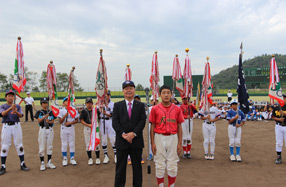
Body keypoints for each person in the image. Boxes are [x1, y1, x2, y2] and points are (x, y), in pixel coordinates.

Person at [112, 81, 146, 187]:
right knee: (120, 169)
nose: (129, 90)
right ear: (123, 91)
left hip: (136, 141)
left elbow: (142, 121)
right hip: (122, 141)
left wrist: (134, 134)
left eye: (131, 88)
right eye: (126, 88)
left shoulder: (140, 105)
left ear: (134, 90)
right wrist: (123, 134)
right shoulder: (117, 105)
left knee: (137, 168)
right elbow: (115, 122)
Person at [149, 85, 184, 187]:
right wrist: (152, 143)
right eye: (163, 93)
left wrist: (179, 143)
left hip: (173, 137)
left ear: (171, 94)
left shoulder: (177, 109)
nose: (166, 95)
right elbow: (152, 126)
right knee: (159, 163)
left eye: (168, 93)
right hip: (159, 136)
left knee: (172, 163)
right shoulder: (155, 109)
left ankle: (171, 185)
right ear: (160, 95)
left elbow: (179, 127)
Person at [0, 90, 29, 175]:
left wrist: (15, 111)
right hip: (6, 126)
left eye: (12, 96)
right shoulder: (3, 106)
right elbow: (3, 114)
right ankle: (3, 166)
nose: (11, 97)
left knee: (19, 145)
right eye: (9, 96)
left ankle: (22, 163)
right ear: (6, 97)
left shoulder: (18, 106)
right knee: (4, 146)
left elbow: (21, 115)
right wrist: (10, 108)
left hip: (16, 125)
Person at [34, 97, 57, 171]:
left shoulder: (51, 112)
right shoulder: (39, 112)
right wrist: (44, 117)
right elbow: (39, 121)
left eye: (46, 103)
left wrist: (49, 121)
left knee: (50, 145)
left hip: (50, 129)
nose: (45, 104)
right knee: (42, 146)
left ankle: (49, 162)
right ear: (41, 104)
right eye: (44, 103)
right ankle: (42, 162)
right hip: (42, 129)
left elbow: (53, 121)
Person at [58, 97, 79, 166]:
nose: (67, 102)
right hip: (64, 128)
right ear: (63, 103)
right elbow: (60, 121)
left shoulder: (73, 110)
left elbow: (76, 120)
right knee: (64, 144)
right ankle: (65, 158)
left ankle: (72, 158)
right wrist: (65, 116)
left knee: (72, 143)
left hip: (71, 128)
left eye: (68, 101)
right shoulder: (61, 111)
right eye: (66, 101)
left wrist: (70, 123)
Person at [80, 97, 101, 165]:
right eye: (87, 103)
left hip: (95, 128)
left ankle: (97, 158)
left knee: (97, 142)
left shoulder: (95, 110)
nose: (89, 104)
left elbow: (99, 118)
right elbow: (81, 120)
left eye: (90, 103)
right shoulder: (84, 111)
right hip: (87, 128)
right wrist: (88, 125)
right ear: (85, 104)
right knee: (88, 143)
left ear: (92, 103)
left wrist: (96, 125)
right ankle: (90, 158)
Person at [98, 90, 116, 164]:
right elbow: (97, 114)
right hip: (102, 122)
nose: (106, 97)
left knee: (113, 139)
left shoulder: (112, 104)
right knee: (104, 139)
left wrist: (105, 113)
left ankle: (116, 155)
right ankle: (106, 156)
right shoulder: (100, 104)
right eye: (105, 96)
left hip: (110, 121)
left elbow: (113, 114)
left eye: (108, 95)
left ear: (109, 96)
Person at [128, 94, 145, 165]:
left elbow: (142, 120)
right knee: (129, 141)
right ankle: (129, 156)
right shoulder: (129, 106)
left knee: (138, 142)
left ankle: (140, 155)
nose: (137, 100)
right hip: (129, 129)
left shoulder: (141, 106)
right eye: (136, 99)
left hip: (138, 129)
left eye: (138, 99)